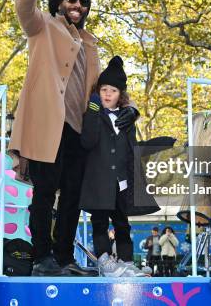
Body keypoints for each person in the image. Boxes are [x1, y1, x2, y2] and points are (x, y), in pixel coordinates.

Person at [9, 0, 139, 276]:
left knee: (72, 198)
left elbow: (103, 87)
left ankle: (64, 258)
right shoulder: (43, 27)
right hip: (47, 127)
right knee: (43, 193)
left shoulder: (90, 43)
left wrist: (128, 107)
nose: (78, 5)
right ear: (59, 2)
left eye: (83, 1)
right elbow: (24, 10)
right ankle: (41, 257)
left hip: (81, 131)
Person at [79, 56, 146, 277]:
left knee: (122, 223)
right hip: (98, 181)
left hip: (121, 182)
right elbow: (87, 141)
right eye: (104, 89)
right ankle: (104, 261)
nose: (108, 94)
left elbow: (131, 148)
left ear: (121, 95)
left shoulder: (126, 118)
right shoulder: (94, 114)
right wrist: (92, 112)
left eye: (113, 91)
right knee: (99, 222)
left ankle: (126, 260)